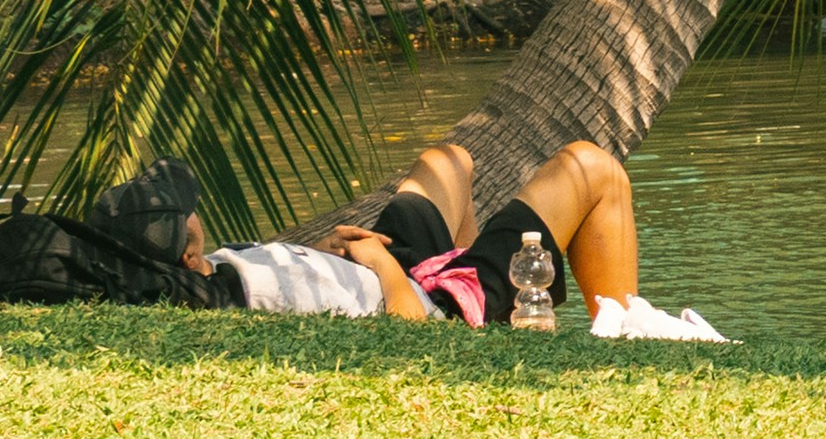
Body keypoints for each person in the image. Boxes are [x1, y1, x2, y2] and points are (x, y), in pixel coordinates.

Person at [161, 144, 716, 338]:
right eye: (176, 214)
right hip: (428, 300)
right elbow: (411, 331)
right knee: (593, 170)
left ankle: (492, 318)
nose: (188, 209)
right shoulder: (237, 298)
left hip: (397, 268)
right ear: (184, 257)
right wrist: (378, 262)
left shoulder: (217, 268)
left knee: (447, 162)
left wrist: (327, 254)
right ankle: (619, 329)